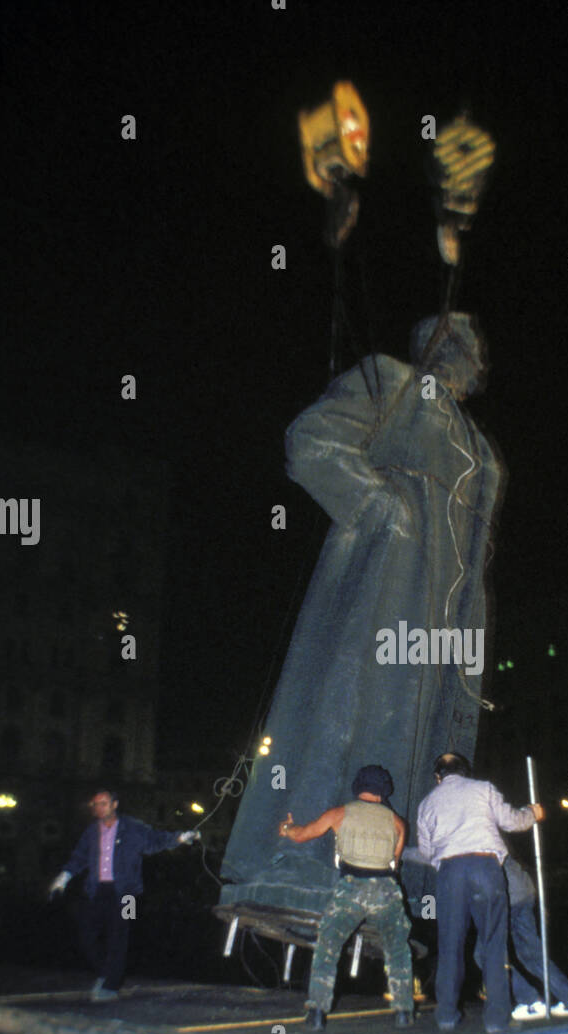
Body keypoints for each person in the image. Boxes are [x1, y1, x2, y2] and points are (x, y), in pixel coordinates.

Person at [218, 313, 505, 928]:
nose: (467, 357)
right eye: (456, 344)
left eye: (473, 350)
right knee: (354, 710)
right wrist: (380, 509)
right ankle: (309, 872)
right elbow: (312, 439)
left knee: (428, 734)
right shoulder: (389, 381)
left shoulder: (477, 443)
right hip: (389, 581)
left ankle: (410, 881)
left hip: (447, 614)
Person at [279, 765, 414, 1031]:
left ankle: (317, 1011)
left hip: (350, 888)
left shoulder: (338, 814)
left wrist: (287, 828)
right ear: (384, 791)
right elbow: (394, 864)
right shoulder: (398, 823)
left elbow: (301, 835)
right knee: (397, 949)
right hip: (385, 889)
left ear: (357, 787)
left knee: (328, 946)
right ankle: (404, 1012)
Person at [416, 752, 543, 1034]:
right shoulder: (483, 789)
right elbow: (511, 821)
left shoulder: (427, 803)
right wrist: (532, 813)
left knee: (450, 945)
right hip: (486, 868)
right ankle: (497, 1019)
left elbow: (426, 850)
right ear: (465, 772)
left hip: (450, 873)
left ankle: (447, 1015)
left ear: (438, 777)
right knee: (493, 944)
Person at [49, 789, 199, 1001]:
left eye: (103, 803)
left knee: (120, 936)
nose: (98, 808)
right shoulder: (92, 832)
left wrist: (181, 838)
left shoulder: (133, 828)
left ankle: (110, 986)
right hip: (98, 890)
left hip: (129, 894)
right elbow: (79, 857)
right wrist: (63, 878)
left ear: (114, 805)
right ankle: (106, 973)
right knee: (87, 934)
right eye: (95, 804)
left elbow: (156, 840)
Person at [500, 857, 568, 1020]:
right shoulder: (489, 835)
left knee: (486, 953)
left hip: (507, 895)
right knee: (531, 953)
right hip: (522, 891)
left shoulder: (463, 839)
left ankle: (529, 1000)